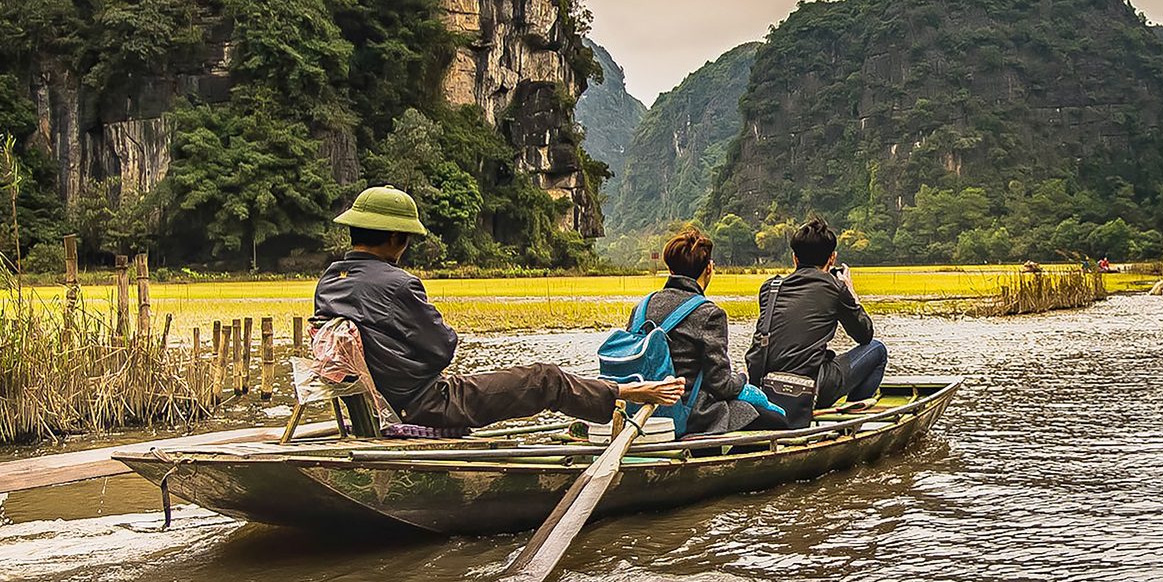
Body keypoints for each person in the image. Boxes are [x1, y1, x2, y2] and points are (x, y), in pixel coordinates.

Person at [312, 186, 684, 432]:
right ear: (396, 237)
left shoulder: (330, 282)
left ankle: (617, 393)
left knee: (534, 379)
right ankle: (627, 393)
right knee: (545, 378)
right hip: (425, 404)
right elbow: (442, 348)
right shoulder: (397, 283)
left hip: (376, 406)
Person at [633, 225, 787, 435]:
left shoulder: (642, 307)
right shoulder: (708, 313)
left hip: (642, 407)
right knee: (778, 420)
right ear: (708, 268)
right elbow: (721, 385)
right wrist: (742, 378)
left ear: (671, 270)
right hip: (690, 412)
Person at [746, 217, 885, 419]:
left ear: (795, 258)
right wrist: (852, 295)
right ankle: (851, 420)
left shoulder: (770, 288)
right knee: (877, 349)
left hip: (767, 388)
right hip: (809, 389)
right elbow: (865, 335)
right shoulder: (835, 288)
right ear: (832, 258)